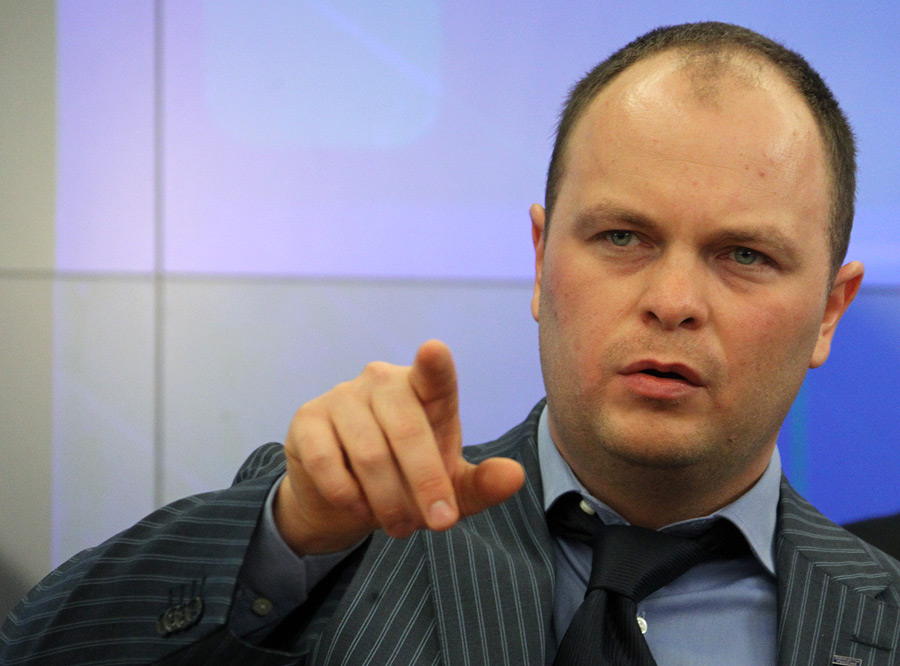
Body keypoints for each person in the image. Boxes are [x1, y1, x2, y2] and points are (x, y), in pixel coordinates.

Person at [3, 21, 900, 666]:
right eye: (622, 237)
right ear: (541, 261)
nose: (672, 302)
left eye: (744, 256)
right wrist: (289, 537)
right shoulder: (341, 536)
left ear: (829, 311)